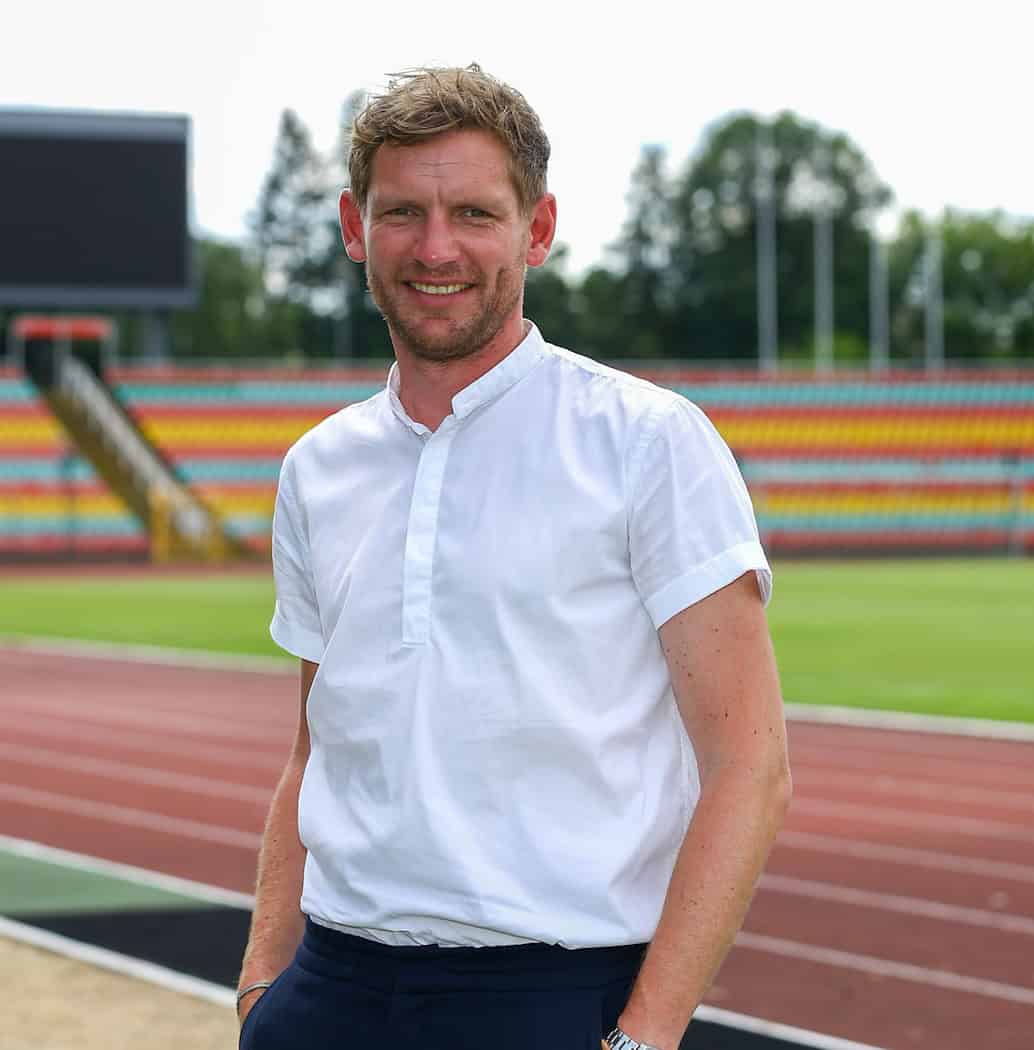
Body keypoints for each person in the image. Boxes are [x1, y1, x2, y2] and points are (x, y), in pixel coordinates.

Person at [235, 65, 791, 1050]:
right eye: (401, 212)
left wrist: (645, 1036)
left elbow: (747, 767)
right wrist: (261, 988)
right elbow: (312, 748)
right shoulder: (318, 468)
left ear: (535, 230)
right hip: (330, 989)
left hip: (550, 993)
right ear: (353, 227)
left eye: (473, 213)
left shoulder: (646, 442)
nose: (435, 248)